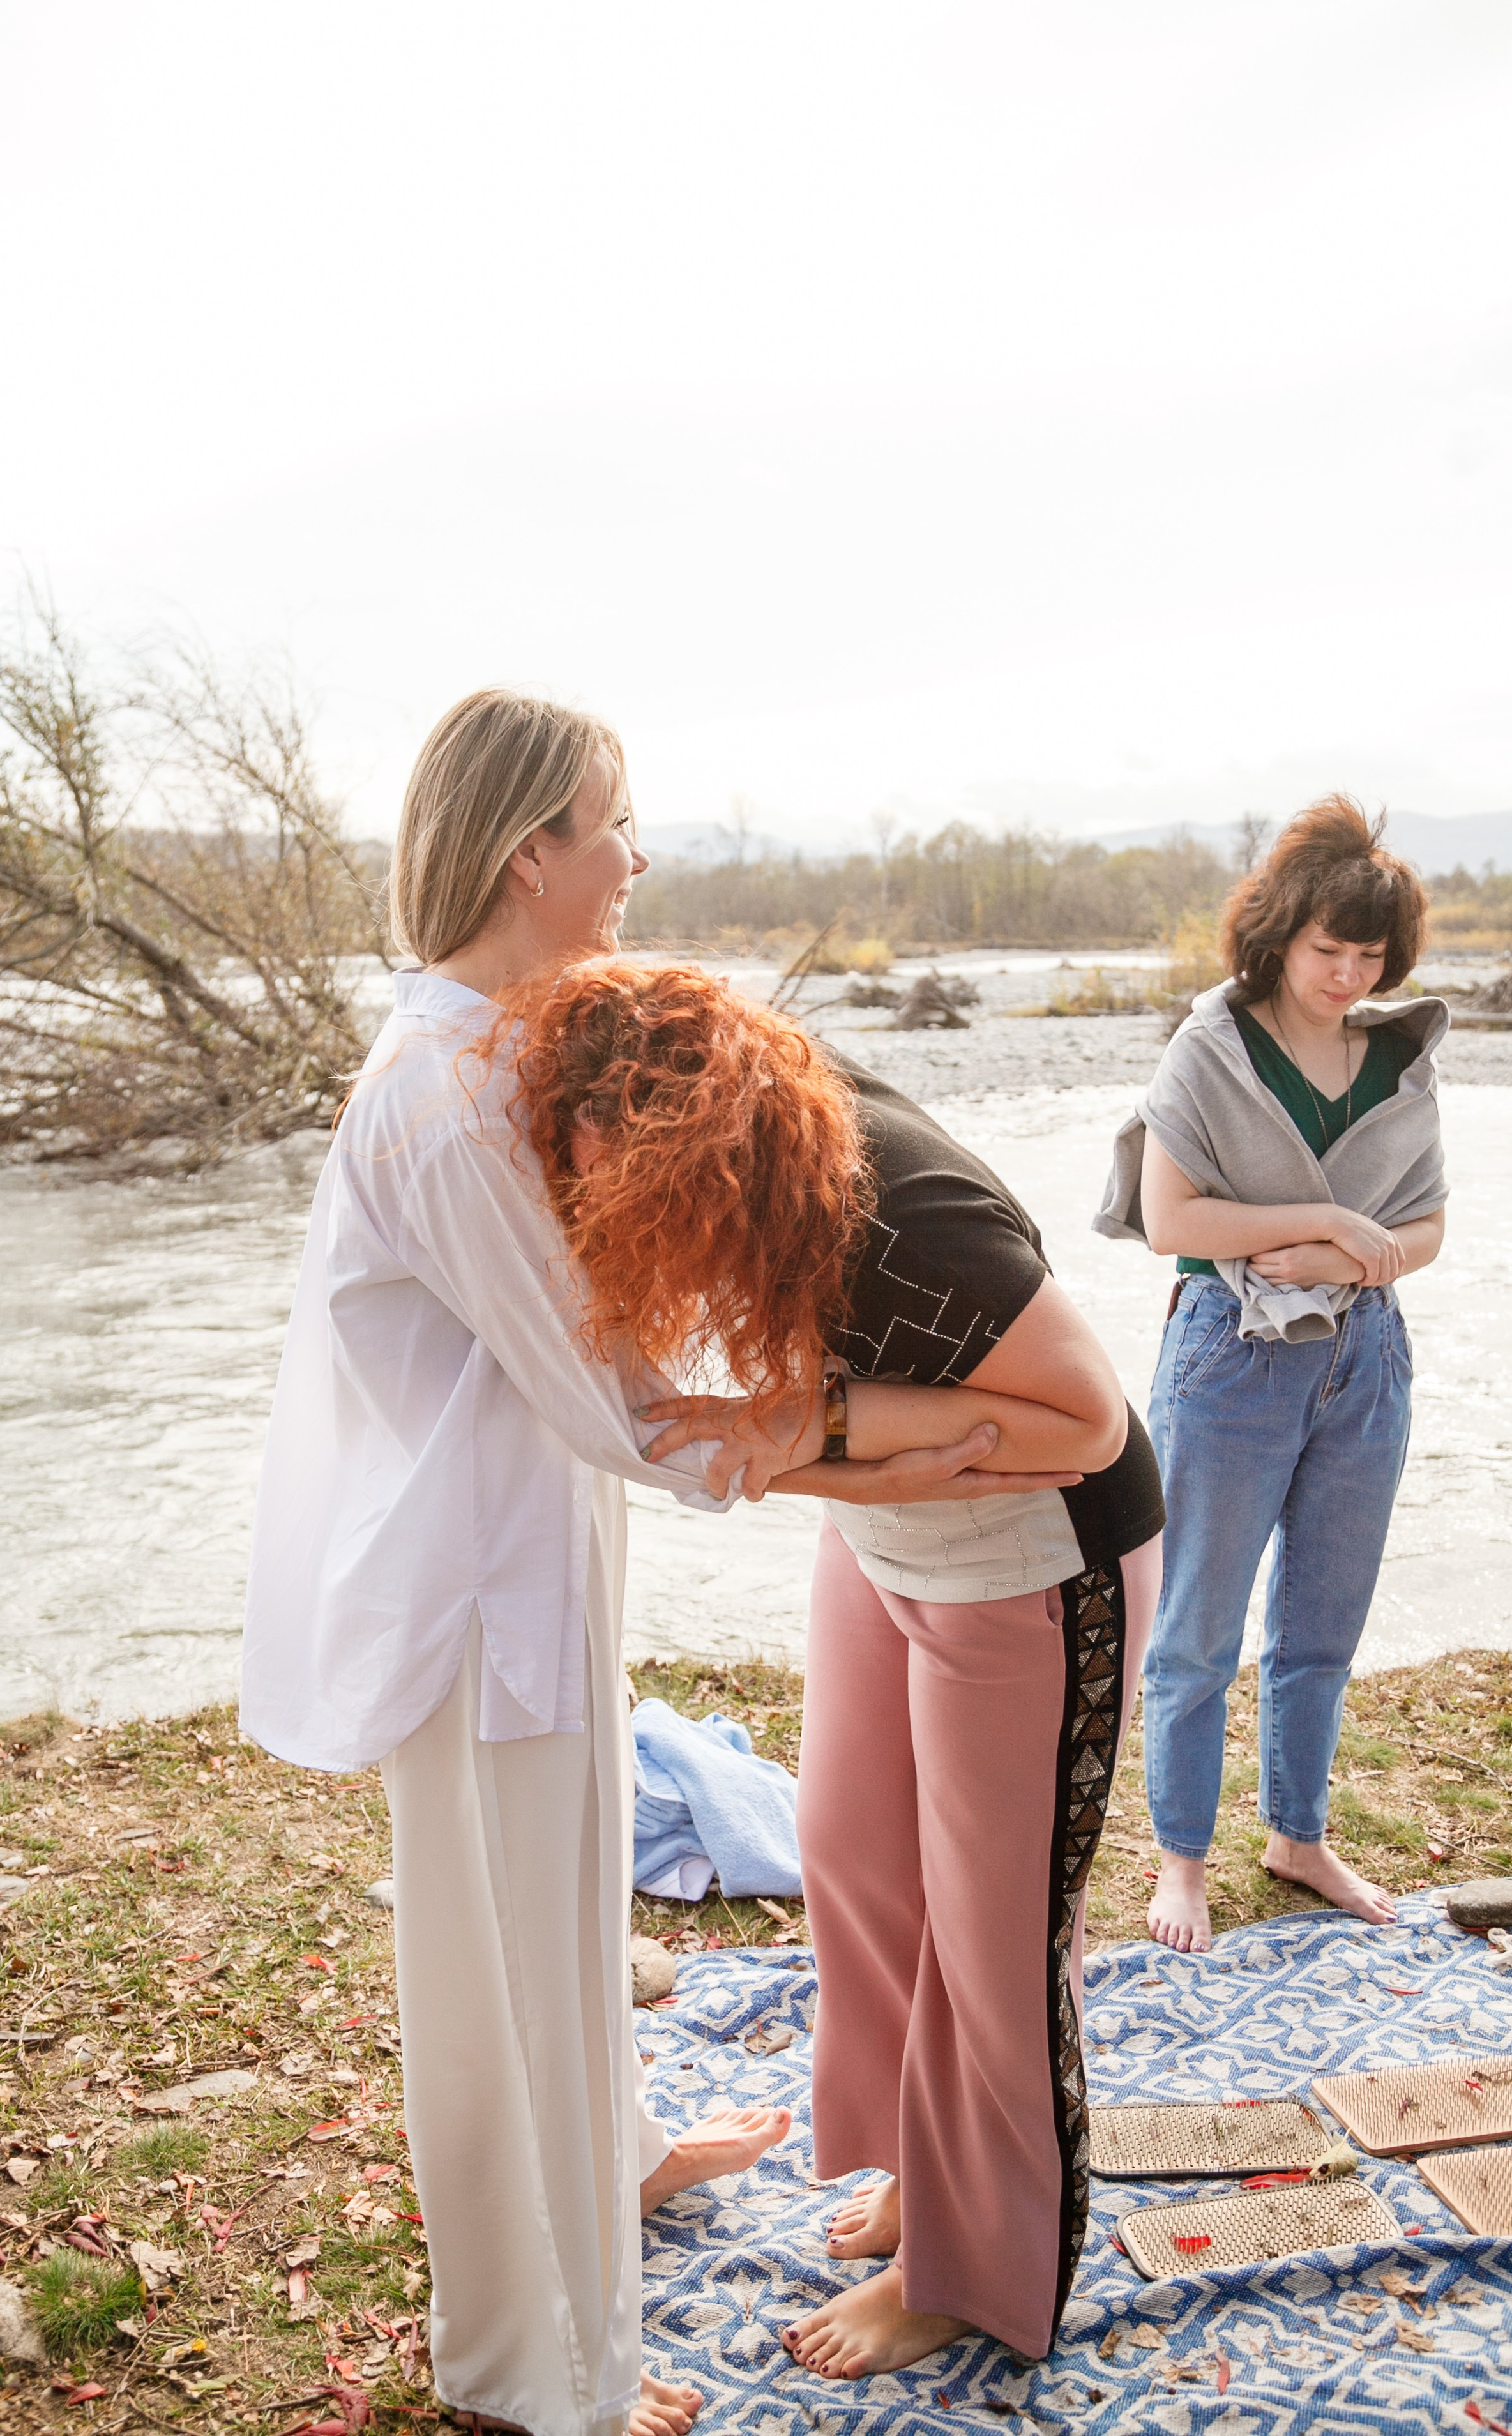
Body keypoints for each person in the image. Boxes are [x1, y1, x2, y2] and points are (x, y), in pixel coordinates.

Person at [239, 691, 1032, 2436]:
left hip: (528, 1550)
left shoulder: (500, 1045)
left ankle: (623, 2161)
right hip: (476, 1585)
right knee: (500, 1959)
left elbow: (612, 1333)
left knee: (560, 1912)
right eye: (615, 822)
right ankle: (539, 2368)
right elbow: (615, 1405)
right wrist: (878, 1439)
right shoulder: (447, 1096)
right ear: (532, 852)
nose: (636, 857)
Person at [477, 958, 1167, 2376]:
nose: (571, 1190)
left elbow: (1087, 1423)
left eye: (582, 1160)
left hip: (1037, 1566)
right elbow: (816, 1438)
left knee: (995, 1935)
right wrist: (845, 1454)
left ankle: (969, 2273)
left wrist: (816, 1427)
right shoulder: (755, 1179)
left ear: (665, 1138)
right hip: (890, 1537)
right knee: (851, 1856)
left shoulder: (898, 1216)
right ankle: (922, 2172)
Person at [1096, 797, 1448, 1955]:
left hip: (1367, 1357)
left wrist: (1347, 1251)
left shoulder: (1399, 1060)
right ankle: (1182, 1858)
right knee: (1197, 1624)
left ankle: (1297, 1835)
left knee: (1322, 1623)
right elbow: (1169, 1221)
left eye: (1370, 955)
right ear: (1280, 934)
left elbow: (1429, 1228)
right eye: (1327, 949)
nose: (1348, 974)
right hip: (1230, 1355)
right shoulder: (1210, 1048)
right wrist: (1331, 1222)